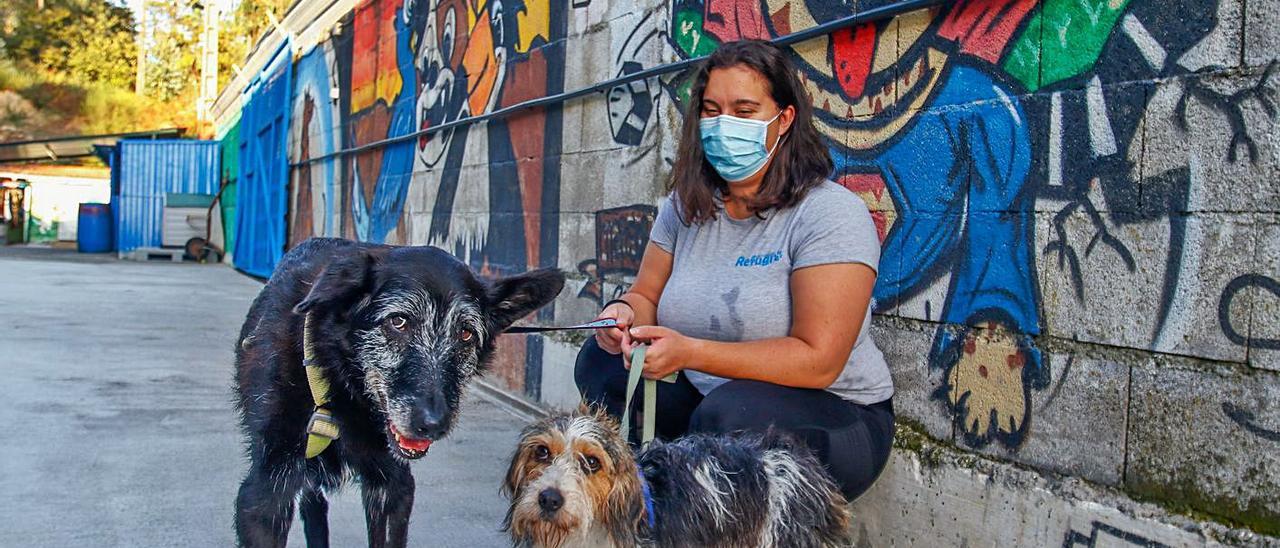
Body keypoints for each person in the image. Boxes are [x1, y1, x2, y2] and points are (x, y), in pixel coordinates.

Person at [575, 39, 895, 501]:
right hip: (715, 400)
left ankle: (714, 507)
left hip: (839, 416)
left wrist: (691, 352)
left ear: (784, 120)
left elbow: (819, 360)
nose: (724, 125)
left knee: (728, 418)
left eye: (744, 111)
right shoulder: (684, 208)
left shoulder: (829, 214)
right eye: (712, 110)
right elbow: (645, 294)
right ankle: (655, 497)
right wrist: (622, 314)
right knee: (602, 363)